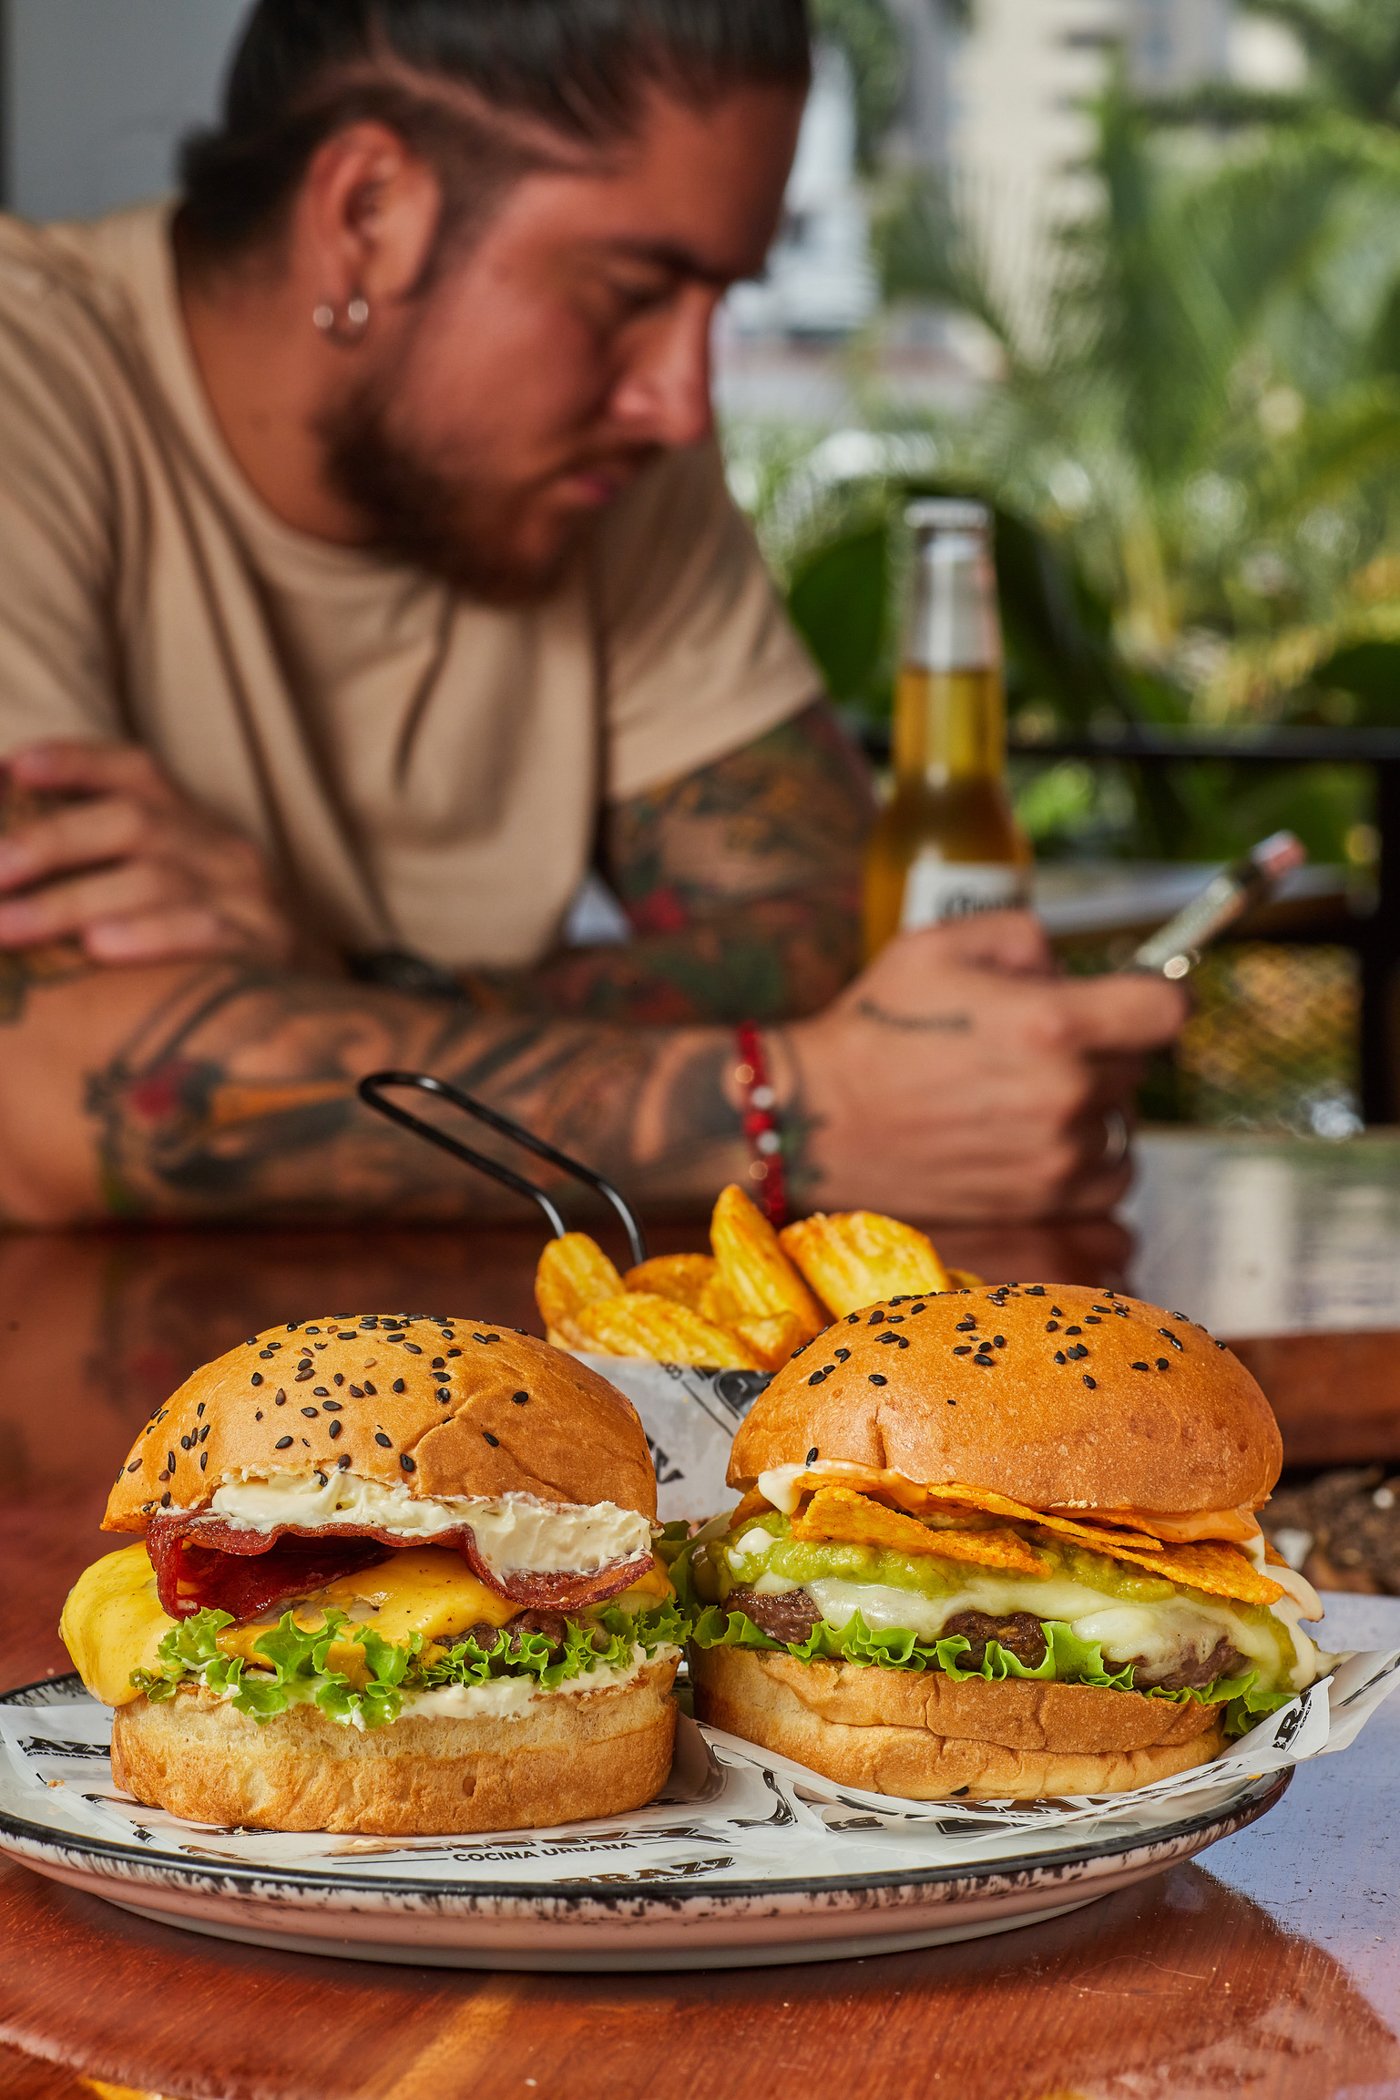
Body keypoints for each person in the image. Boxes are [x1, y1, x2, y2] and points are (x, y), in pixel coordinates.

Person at [0, 0, 1183, 1230]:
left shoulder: (610, 457)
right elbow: (42, 1097)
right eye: (630, 291)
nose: (682, 402)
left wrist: (343, 987)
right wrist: (785, 1115)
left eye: (718, 301)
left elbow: (839, 937)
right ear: (369, 216)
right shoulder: (26, 370)